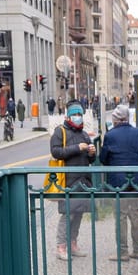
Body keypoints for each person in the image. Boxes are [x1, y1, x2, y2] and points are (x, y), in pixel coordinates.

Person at [98, 104, 138, 262]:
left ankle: (122, 253)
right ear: (128, 119)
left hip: (118, 183)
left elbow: (103, 159)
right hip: (137, 181)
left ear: (115, 120)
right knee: (136, 215)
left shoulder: (110, 135)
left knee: (121, 217)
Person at [49, 103, 96, 258]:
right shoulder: (60, 132)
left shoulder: (84, 134)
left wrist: (91, 153)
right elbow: (56, 152)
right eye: (75, 114)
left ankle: (73, 244)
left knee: (79, 213)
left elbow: (91, 159)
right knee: (67, 214)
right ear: (68, 117)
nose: (78, 117)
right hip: (67, 182)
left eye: (80, 115)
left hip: (83, 181)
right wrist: (77, 148)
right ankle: (61, 247)